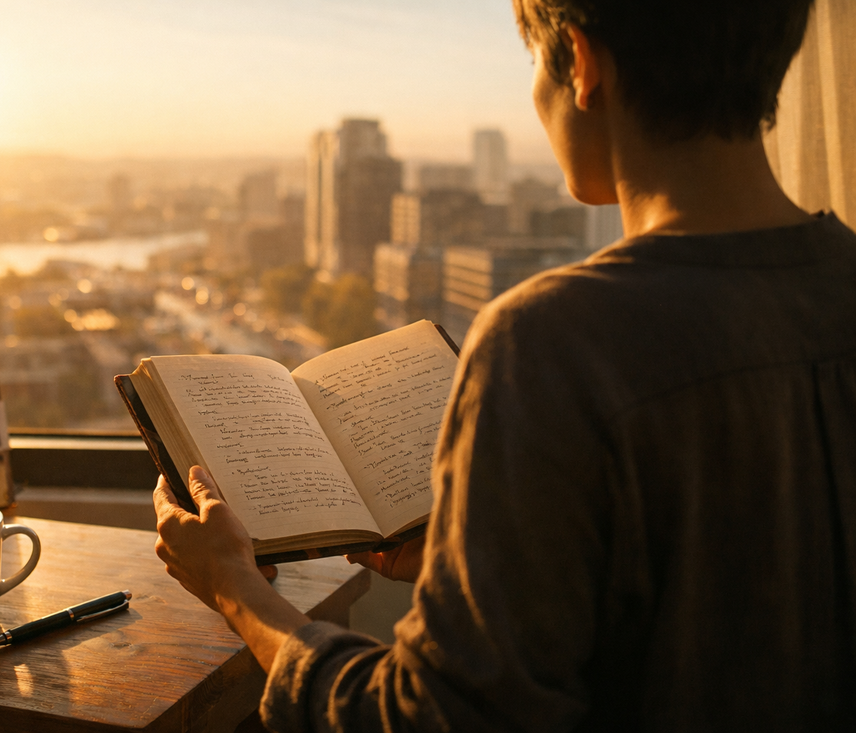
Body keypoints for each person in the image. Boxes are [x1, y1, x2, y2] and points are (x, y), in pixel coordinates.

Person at [153, 0, 856, 729]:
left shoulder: (554, 342)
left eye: (531, 65)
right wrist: (482, 554)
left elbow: (428, 719)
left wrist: (235, 585)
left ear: (581, 62)